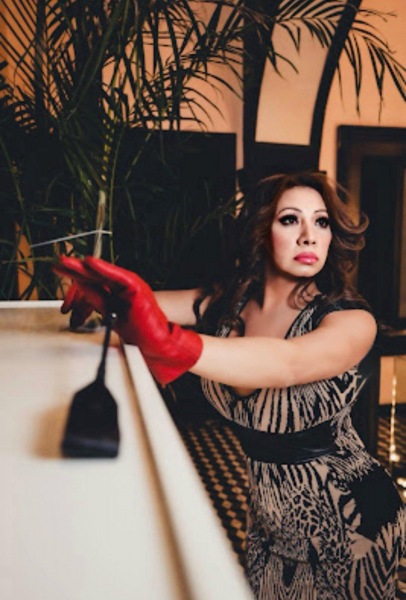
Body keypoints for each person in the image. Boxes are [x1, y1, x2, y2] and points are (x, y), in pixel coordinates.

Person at [54, 172, 405, 599]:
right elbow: (146, 304)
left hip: (351, 526)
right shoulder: (228, 301)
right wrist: (106, 296)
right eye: (290, 220)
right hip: (269, 522)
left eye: (322, 221)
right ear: (262, 229)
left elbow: (287, 362)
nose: (309, 236)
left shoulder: (351, 321)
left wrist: (174, 344)